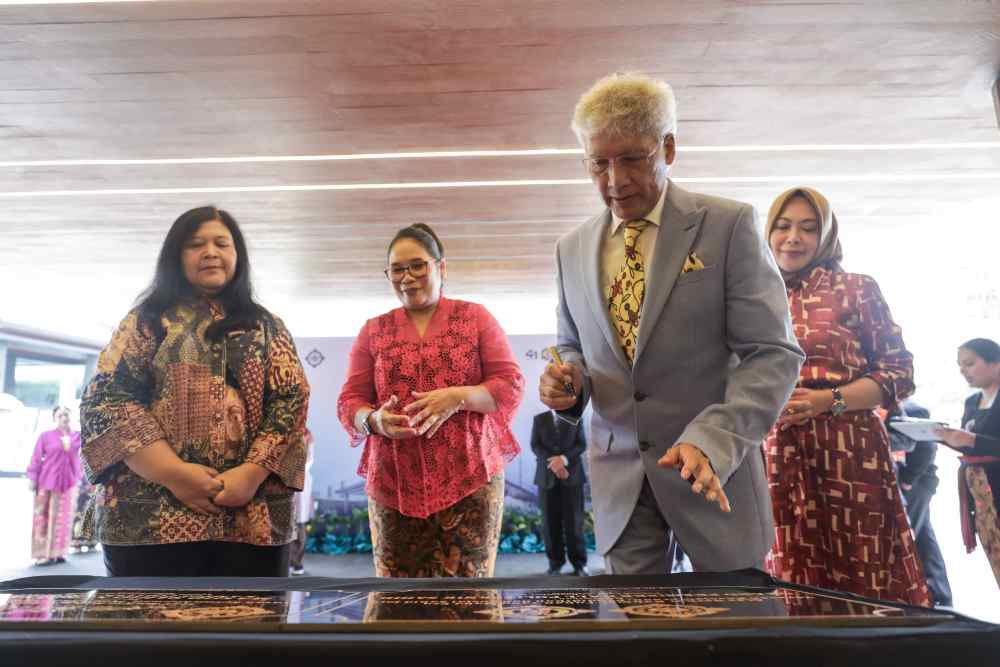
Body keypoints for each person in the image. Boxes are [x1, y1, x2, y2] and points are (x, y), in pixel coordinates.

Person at [538, 72, 804, 575]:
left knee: (736, 638)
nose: (614, 181)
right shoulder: (569, 249)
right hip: (622, 484)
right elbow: (571, 345)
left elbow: (773, 354)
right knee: (637, 645)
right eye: (599, 163)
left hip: (713, 471)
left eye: (632, 159)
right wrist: (567, 382)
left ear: (669, 148)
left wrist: (714, 438)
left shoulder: (728, 226)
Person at [80, 206, 310, 577]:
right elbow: (107, 399)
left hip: (252, 516)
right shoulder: (145, 321)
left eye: (222, 243)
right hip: (150, 520)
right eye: (195, 244)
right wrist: (173, 473)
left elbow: (291, 402)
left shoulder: (268, 326)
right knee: (151, 631)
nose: (210, 252)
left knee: (251, 630)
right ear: (175, 256)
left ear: (238, 256)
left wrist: (250, 474)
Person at [763, 186, 930, 606]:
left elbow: (898, 372)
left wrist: (827, 400)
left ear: (827, 235)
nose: (793, 238)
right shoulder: (753, 296)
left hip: (848, 451)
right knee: (786, 574)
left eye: (807, 227)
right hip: (776, 454)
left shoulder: (854, 288)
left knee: (862, 570)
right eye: (782, 227)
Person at [337, 223, 524, 578]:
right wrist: (374, 420)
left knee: (467, 598)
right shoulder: (373, 330)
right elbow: (349, 401)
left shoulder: (475, 318)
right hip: (393, 484)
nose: (407, 277)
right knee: (397, 598)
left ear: (441, 267)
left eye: (418, 265)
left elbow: (509, 384)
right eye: (397, 269)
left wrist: (457, 397)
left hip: (470, 479)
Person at [936, 338, 1000, 589]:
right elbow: (968, 443)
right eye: (960, 366)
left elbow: (978, 442)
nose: (964, 371)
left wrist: (973, 440)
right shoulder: (971, 402)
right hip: (982, 496)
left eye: (970, 364)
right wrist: (947, 438)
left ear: (995, 361)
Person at [887, 399, 953, 606]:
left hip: (916, 482)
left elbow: (927, 449)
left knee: (915, 537)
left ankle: (933, 595)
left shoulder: (913, 409)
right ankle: (937, 595)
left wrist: (907, 481)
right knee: (923, 535)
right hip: (908, 481)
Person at [530, 409, 589, 576]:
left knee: (574, 522)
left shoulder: (575, 417)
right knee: (549, 523)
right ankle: (555, 563)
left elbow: (581, 444)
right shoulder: (539, 418)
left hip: (573, 477)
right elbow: (535, 445)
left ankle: (579, 564)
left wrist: (562, 459)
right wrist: (553, 461)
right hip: (546, 477)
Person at [27, 406, 82, 566]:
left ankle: (59, 552)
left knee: (63, 518)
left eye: (66, 414)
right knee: (43, 517)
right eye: (60, 415)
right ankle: (42, 554)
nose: (64, 417)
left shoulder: (76, 437)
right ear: (54, 418)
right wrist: (32, 478)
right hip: (47, 482)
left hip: (68, 484)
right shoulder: (45, 436)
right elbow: (36, 458)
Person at [289, 429, 315, 576]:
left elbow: (308, 460)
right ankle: (288, 562)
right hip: (282, 483)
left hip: (300, 482)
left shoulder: (306, 434)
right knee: (284, 524)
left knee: (299, 524)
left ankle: (297, 563)